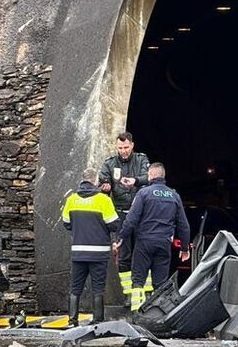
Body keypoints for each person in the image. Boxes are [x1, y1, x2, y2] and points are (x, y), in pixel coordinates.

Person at [113, 162, 191, 311]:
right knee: (160, 283)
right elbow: (184, 225)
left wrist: (121, 239)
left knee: (137, 280)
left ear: (151, 175)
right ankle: (157, 316)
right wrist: (185, 248)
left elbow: (131, 220)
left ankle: (136, 315)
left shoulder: (143, 193)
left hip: (144, 243)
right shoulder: (174, 196)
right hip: (164, 244)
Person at [62, 168, 119, 326]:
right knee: (98, 288)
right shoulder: (103, 200)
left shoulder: (72, 199)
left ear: (83, 180)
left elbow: (66, 223)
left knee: (75, 288)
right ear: (96, 181)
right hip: (99, 253)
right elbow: (114, 224)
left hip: (79, 252)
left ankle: (72, 320)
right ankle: (97, 321)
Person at [98, 132, 150, 300]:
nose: (123, 151)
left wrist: (135, 180)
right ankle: (129, 295)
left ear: (132, 145)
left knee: (143, 253)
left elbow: (147, 177)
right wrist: (105, 186)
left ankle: (145, 292)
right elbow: (103, 179)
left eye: (126, 147)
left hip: (140, 214)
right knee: (124, 255)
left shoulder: (141, 159)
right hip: (120, 214)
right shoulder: (110, 163)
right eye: (120, 148)